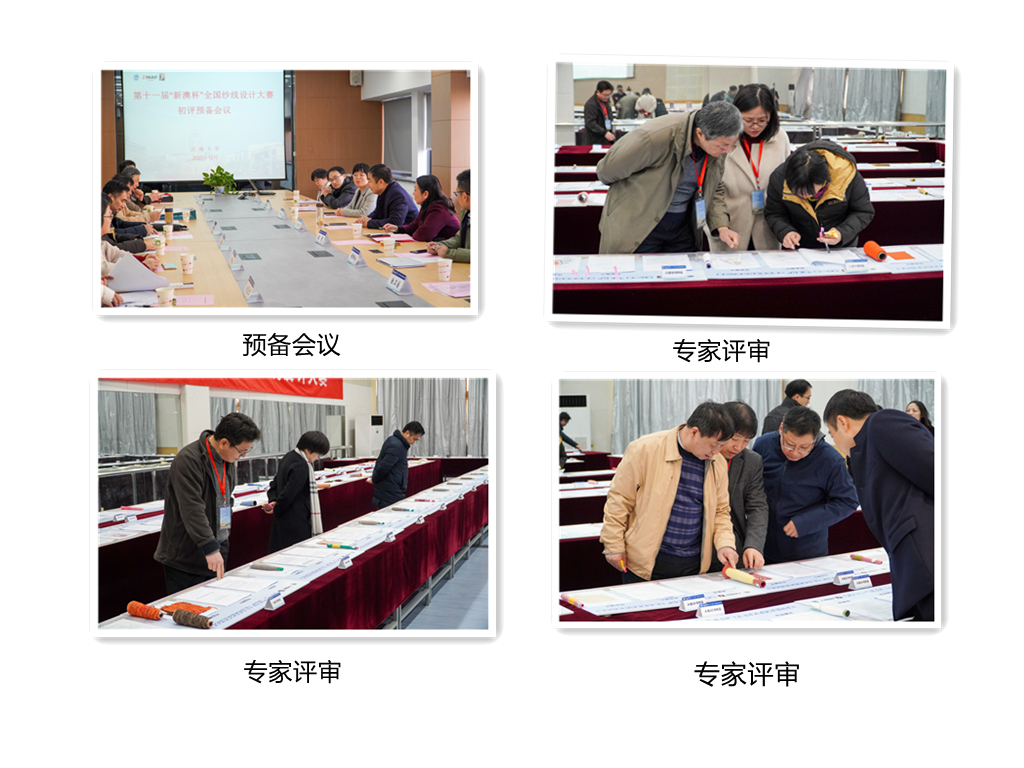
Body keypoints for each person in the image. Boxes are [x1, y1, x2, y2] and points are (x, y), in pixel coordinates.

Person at [824, 390, 934, 621]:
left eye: (832, 434)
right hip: (914, 563)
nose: (835, 442)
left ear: (842, 422)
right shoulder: (865, 446)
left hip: (927, 556)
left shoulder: (882, 422)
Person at [600, 402, 740, 582]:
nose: (716, 452)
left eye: (721, 446)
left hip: (694, 563)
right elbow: (619, 499)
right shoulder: (645, 449)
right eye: (714, 445)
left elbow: (721, 511)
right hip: (646, 561)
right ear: (694, 432)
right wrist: (613, 545)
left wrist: (725, 544)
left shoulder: (716, 462)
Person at [596, 101, 743, 254]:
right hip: (640, 226)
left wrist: (722, 226)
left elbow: (715, 186)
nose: (727, 150)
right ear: (700, 134)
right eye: (724, 145)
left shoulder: (718, 145)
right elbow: (606, 171)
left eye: (732, 144)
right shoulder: (652, 137)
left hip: (683, 228)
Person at [153, 413, 262, 594]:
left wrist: (221, 540)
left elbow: (225, 498)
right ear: (224, 443)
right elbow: (192, 508)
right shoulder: (189, 460)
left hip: (216, 548)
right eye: (241, 451)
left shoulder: (227, 459)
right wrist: (209, 547)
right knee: (189, 607)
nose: (243, 456)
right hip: (187, 556)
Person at [752, 406, 859, 564]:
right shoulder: (763, 445)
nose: (795, 452)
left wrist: (806, 522)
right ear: (781, 429)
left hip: (807, 549)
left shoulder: (830, 459)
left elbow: (848, 501)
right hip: (763, 546)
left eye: (804, 448)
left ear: (815, 439)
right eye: (789, 444)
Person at [708, 84, 791, 253]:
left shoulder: (780, 137)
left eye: (762, 120)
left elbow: (787, 180)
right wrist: (721, 226)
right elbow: (713, 188)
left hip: (767, 225)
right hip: (730, 223)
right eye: (748, 121)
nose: (755, 126)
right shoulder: (722, 137)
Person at [764, 139, 875, 250]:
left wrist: (841, 232)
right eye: (798, 193)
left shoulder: (846, 176)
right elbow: (774, 213)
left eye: (810, 192)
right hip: (799, 248)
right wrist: (786, 232)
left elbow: (863, 211)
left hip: (841, 247)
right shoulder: (779, 178)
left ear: (824, 179)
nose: (805, 196)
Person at [711, 401, 768, 570]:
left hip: (733, 548)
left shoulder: (751, 461)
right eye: (734, 438)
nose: (738, 447)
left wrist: (753, 545)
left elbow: (757, 506)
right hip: (694, 548)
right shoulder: (701, 454)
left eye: (746, 441)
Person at [264, 430, 331, 553]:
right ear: (308, 450)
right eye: (317, 455)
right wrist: (277, 507)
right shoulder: (301, 465)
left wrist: (273, 501)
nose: (317, 459)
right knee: (296, 553)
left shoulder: (289, 456)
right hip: (295, 520)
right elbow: (289, 493)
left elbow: (274, 483)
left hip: (283, 518)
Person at [383, 174, 460, 242]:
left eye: (415, 190)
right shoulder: (428, 205)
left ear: (425, 194)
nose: (413, 193)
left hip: (448, 250)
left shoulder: (438, 209)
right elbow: (414, 226)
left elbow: (424, 235)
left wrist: (414, 233)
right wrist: (397, 228)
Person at [370, 421, 425, 509]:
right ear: (407, 433)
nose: (414, 442)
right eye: (414, 439)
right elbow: (384, 467)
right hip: (389, 492)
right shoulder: (396, 446)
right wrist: (374, 479)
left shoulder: (395, 441)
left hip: (390, 489)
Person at [427, 169, 470, 263]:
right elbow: (458, 239)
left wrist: (449, 253)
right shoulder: (466, 212)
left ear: (464, 196)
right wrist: (438, 245)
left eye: (457, 193)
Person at [358, 164, 417, 230]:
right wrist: (366, 219)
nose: (368, 185)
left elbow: (395, 222)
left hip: (409, 233)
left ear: (381, 182)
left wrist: (369, 223)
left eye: (370, 181)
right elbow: (377, 213)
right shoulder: (384, 191)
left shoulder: (397, 195)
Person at [583, 80, 616, 145]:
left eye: (609, 95)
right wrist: (604, 132)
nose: (607, 97)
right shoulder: (591, 104)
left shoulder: (606, 101)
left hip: (606, 135)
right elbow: (591, 123)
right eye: (605, 95)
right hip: (595, 139)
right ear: (598, 92)